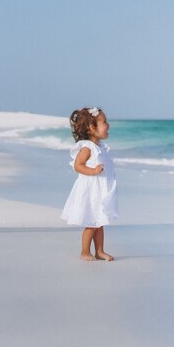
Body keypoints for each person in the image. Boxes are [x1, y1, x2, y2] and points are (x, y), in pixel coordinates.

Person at [61, 107, 117, 261]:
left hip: (100, 191)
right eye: (104, 122)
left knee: (100, 222)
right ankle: (85, 252)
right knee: (92, 223)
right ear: (92, 128)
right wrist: (93, 171)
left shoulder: (101, 147)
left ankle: (99, 251)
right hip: (91, 191)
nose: (108, 125)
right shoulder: (87, 147)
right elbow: (78, 165)